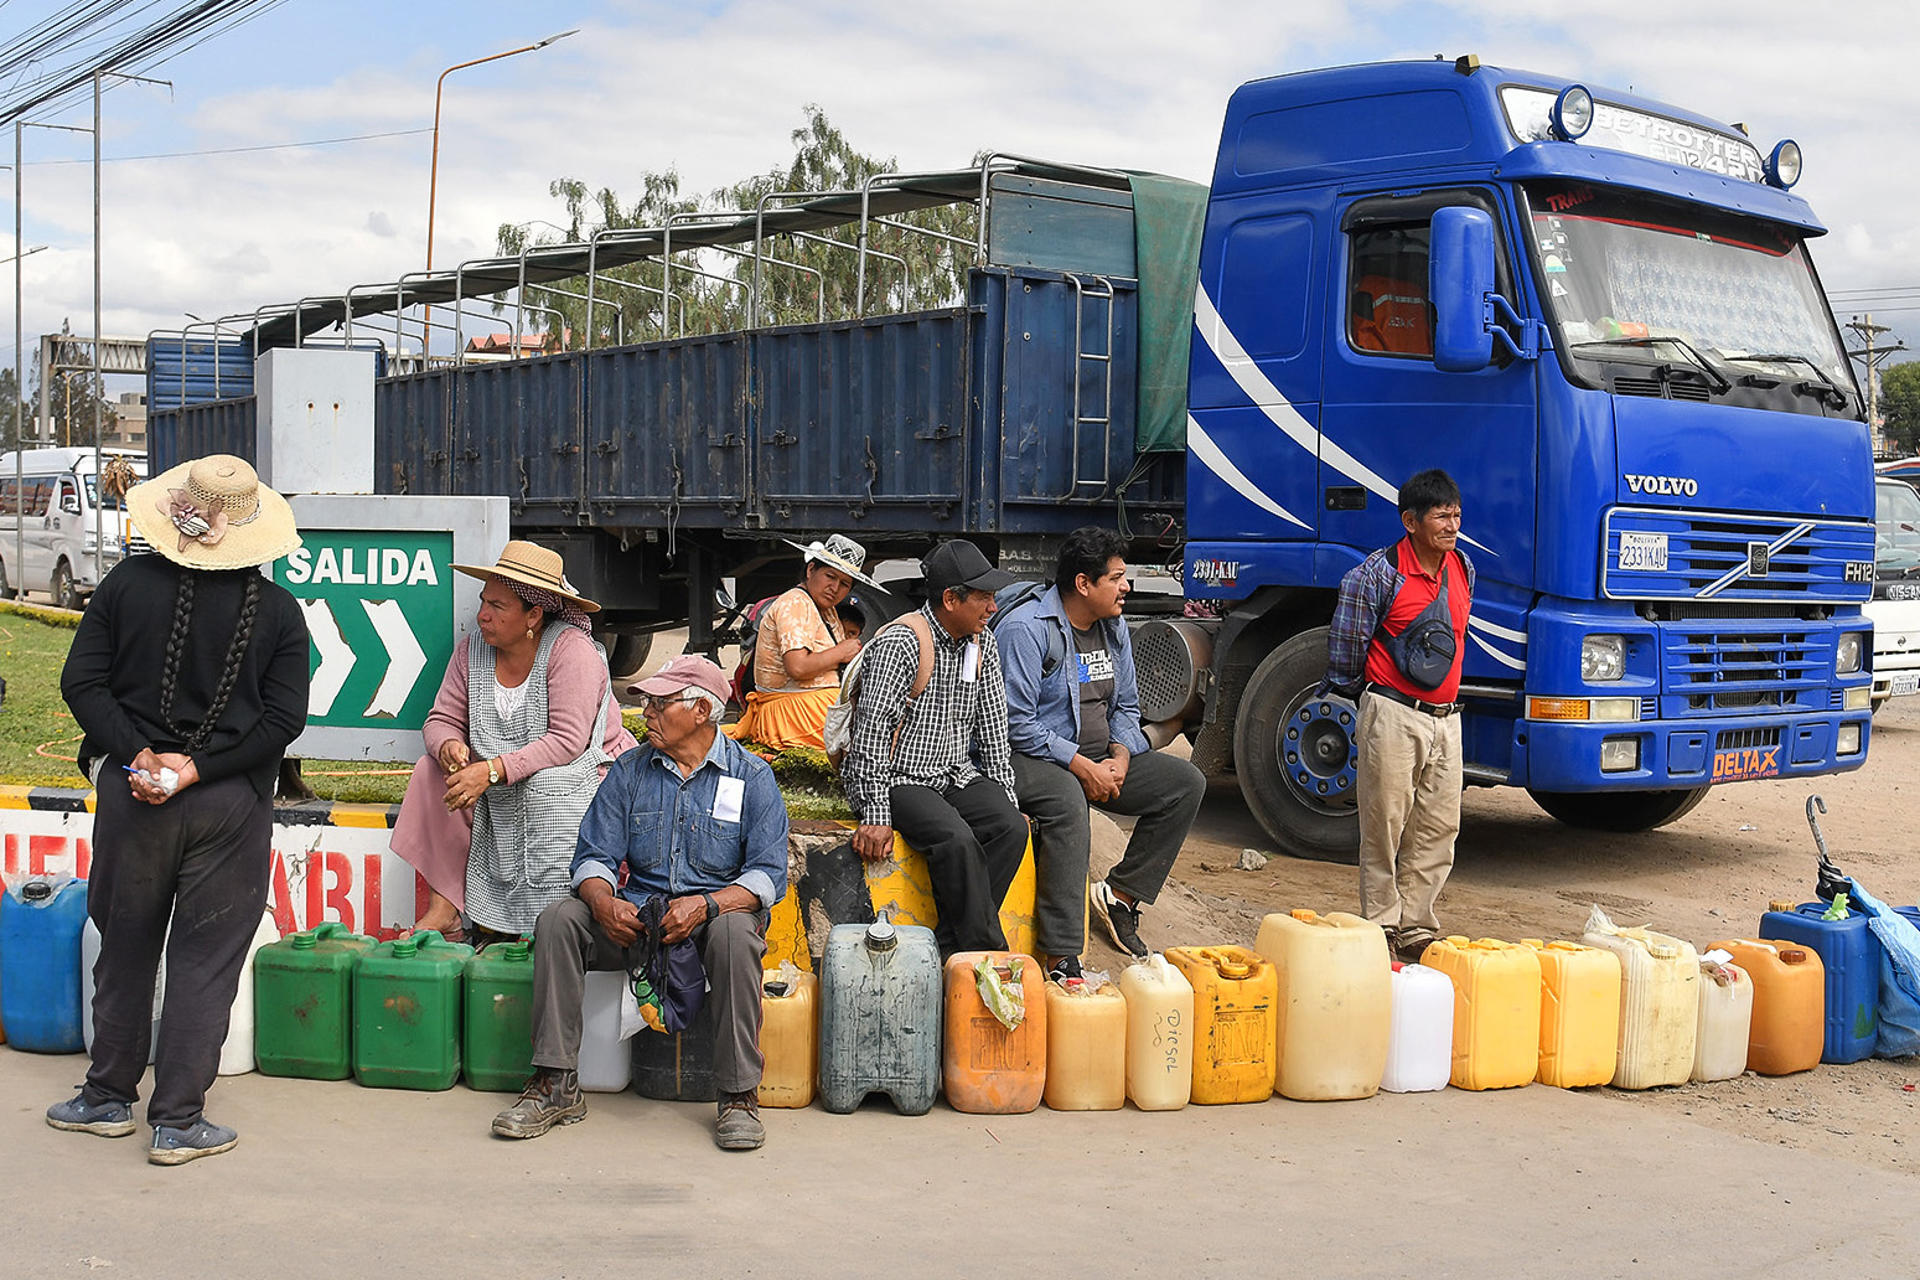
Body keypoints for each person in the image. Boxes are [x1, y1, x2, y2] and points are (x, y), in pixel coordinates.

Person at [49, 454, 310, 1165]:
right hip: (228, 802)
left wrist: (141, 755)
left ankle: (106, 1098)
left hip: (135, 797)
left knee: (125, 944)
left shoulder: (125, 585)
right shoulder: (280, 614)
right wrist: (199, 766)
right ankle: (177, 1121)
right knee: (204, 960)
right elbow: (283, 722)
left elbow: (82, 683)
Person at [491, 656, 788, 1151]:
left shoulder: (752, 778)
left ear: (700, 711)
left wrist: (705, 906)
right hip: (639, 921)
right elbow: (593, 857)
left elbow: (765, 877)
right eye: (645, 702)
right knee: (561, 919)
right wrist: (604, 902)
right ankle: (554, 1082)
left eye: (659, 702)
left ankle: (738, 1096)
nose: (646, 712)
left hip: (708, 923)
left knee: (738, 931)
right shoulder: (630, 771)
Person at [389, 541, 636, 943]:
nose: (482, 615)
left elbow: (568, 741)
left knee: (542, 787)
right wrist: (449, 746)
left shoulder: (572, 650)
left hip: (576, 774)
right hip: (496, 774)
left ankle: (541, 921)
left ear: (533, 615)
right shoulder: (473, 650)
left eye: (498, 607)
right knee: (429, 772)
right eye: (484, 602)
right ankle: (445, 908)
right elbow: (440, 719)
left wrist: (491, 771)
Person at [999, 527, 1205, 976]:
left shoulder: (1113, 629)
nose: (1126, 586)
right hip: (1031, 758)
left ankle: (1121, 896)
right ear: (1083, 584)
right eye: (1116, 578)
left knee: (1185, 783)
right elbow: (1016, 724)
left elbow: (1127, 706)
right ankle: (1061, 952)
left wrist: (1120, 757)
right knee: (1067, 801)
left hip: (1098, 758)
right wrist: (1080, 765)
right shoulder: (1026, 629)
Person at [840, 540, 1028, 955]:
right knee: (957, 841)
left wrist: (1006, 797)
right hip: (896, 777)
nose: (992, 608)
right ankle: (984, 953)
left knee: (1011, 829)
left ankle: (948, 946)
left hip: (952, 773)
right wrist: (875, 814)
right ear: (950, 598)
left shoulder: (983, 644)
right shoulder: (903, 643)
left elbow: (994, 729)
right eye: (983, 598)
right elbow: (871, 735)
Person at [1324, 469, 1474, 965]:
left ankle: (1416, 925)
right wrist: (1367, 697)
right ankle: (1382, 924)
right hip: (1392, 711)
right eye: (1440, 516)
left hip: (1446, 719)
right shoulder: (1376, 575)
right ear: (1410, 521)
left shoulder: (1464, 568)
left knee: (1438, 826)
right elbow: (1346, 648)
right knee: (1384, 824)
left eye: (1455, 514)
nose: (1451, 525)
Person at [724, 534, 874, 752]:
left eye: (844, 584)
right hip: (793, 713)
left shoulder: (827, 610)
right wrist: (841, 653)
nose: (835, 587)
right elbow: (798, 667)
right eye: (830, 576)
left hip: (810, 709)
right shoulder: (795, 602)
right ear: (811, 570)